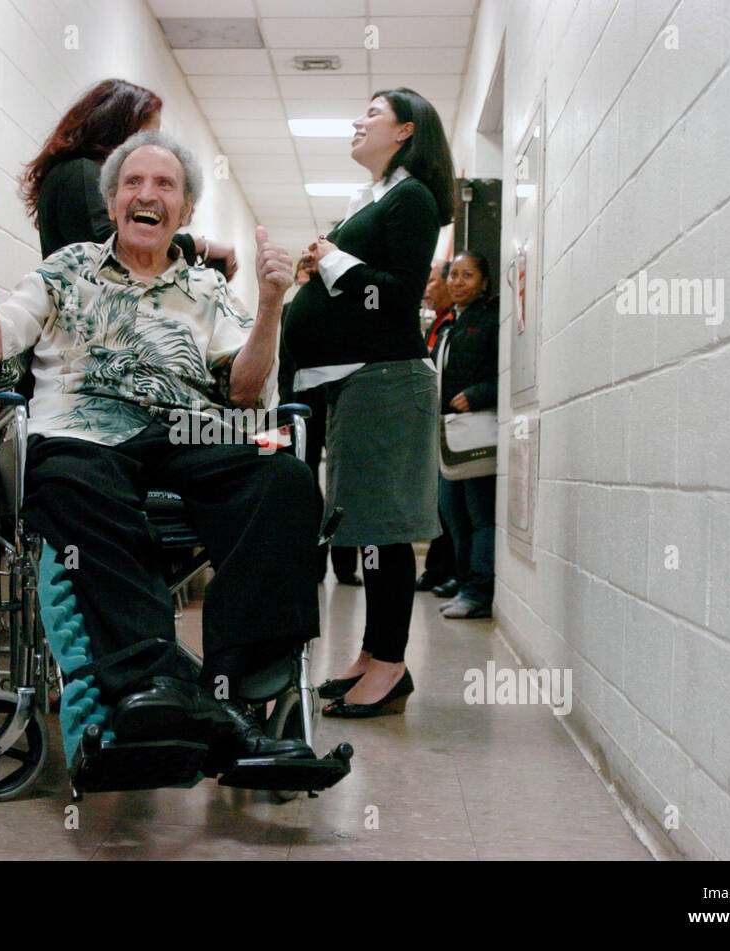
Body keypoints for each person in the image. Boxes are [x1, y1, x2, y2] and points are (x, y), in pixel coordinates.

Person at [0, 130, 317, 770]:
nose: (147, 195)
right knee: (66, 481)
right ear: (113, 200)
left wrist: (272, 307)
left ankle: (236, 693)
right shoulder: (64, 269)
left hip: (188, 427)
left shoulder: (209, 289)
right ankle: (155, 683)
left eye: (164, 185)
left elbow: (247, 390)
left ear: (185, 209)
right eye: (133, 183)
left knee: (281, 470)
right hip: (84, 431)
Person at [282, 88, 455, 718]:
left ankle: (390, 667)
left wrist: (332, 261)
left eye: (372, 113)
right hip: (356, 381)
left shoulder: (412, 198)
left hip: (384, 380)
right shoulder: (377, 197)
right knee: (364, 528)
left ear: (406, 131)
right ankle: (371, 656)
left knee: (382, 532)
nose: (358, 120)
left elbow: (395, 295)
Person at [20, 78, 236, 276]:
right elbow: (114, 246)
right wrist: (196, 245)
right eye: (146, 136)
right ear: (118, 128)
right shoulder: (81, 172)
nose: (149, 147)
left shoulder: (77, 172)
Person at [278, 265, 362, 587]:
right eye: (305, 269)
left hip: (339, 403)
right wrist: (286, 407)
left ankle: (345, 566)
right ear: (298, 276)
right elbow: (286, 364)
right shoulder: (289, 312)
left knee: (344, 483)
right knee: (304, 478)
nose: (310, 275)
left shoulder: (345, 308)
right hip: (301, 407)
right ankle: (311, 563)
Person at [435, 250, 499, 619]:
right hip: (448, 434)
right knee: (453, 515)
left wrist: (476, 395)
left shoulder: (490, 322)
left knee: (480, 518)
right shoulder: (448, 325)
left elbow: (504, 376)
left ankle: (478, 593)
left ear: (483, 282)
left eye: (467, 275)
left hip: (477, 433)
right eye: (453, 275)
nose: (458, 282)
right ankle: (463, 585)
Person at [416, 260, 458, 597]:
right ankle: (436, 569)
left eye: (432, 281)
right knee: (441, 503)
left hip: (455, 427)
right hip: (434, 426)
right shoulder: (439, 326)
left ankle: (445, 570)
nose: (427, 288)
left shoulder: (454, 325)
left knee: (451, 507)